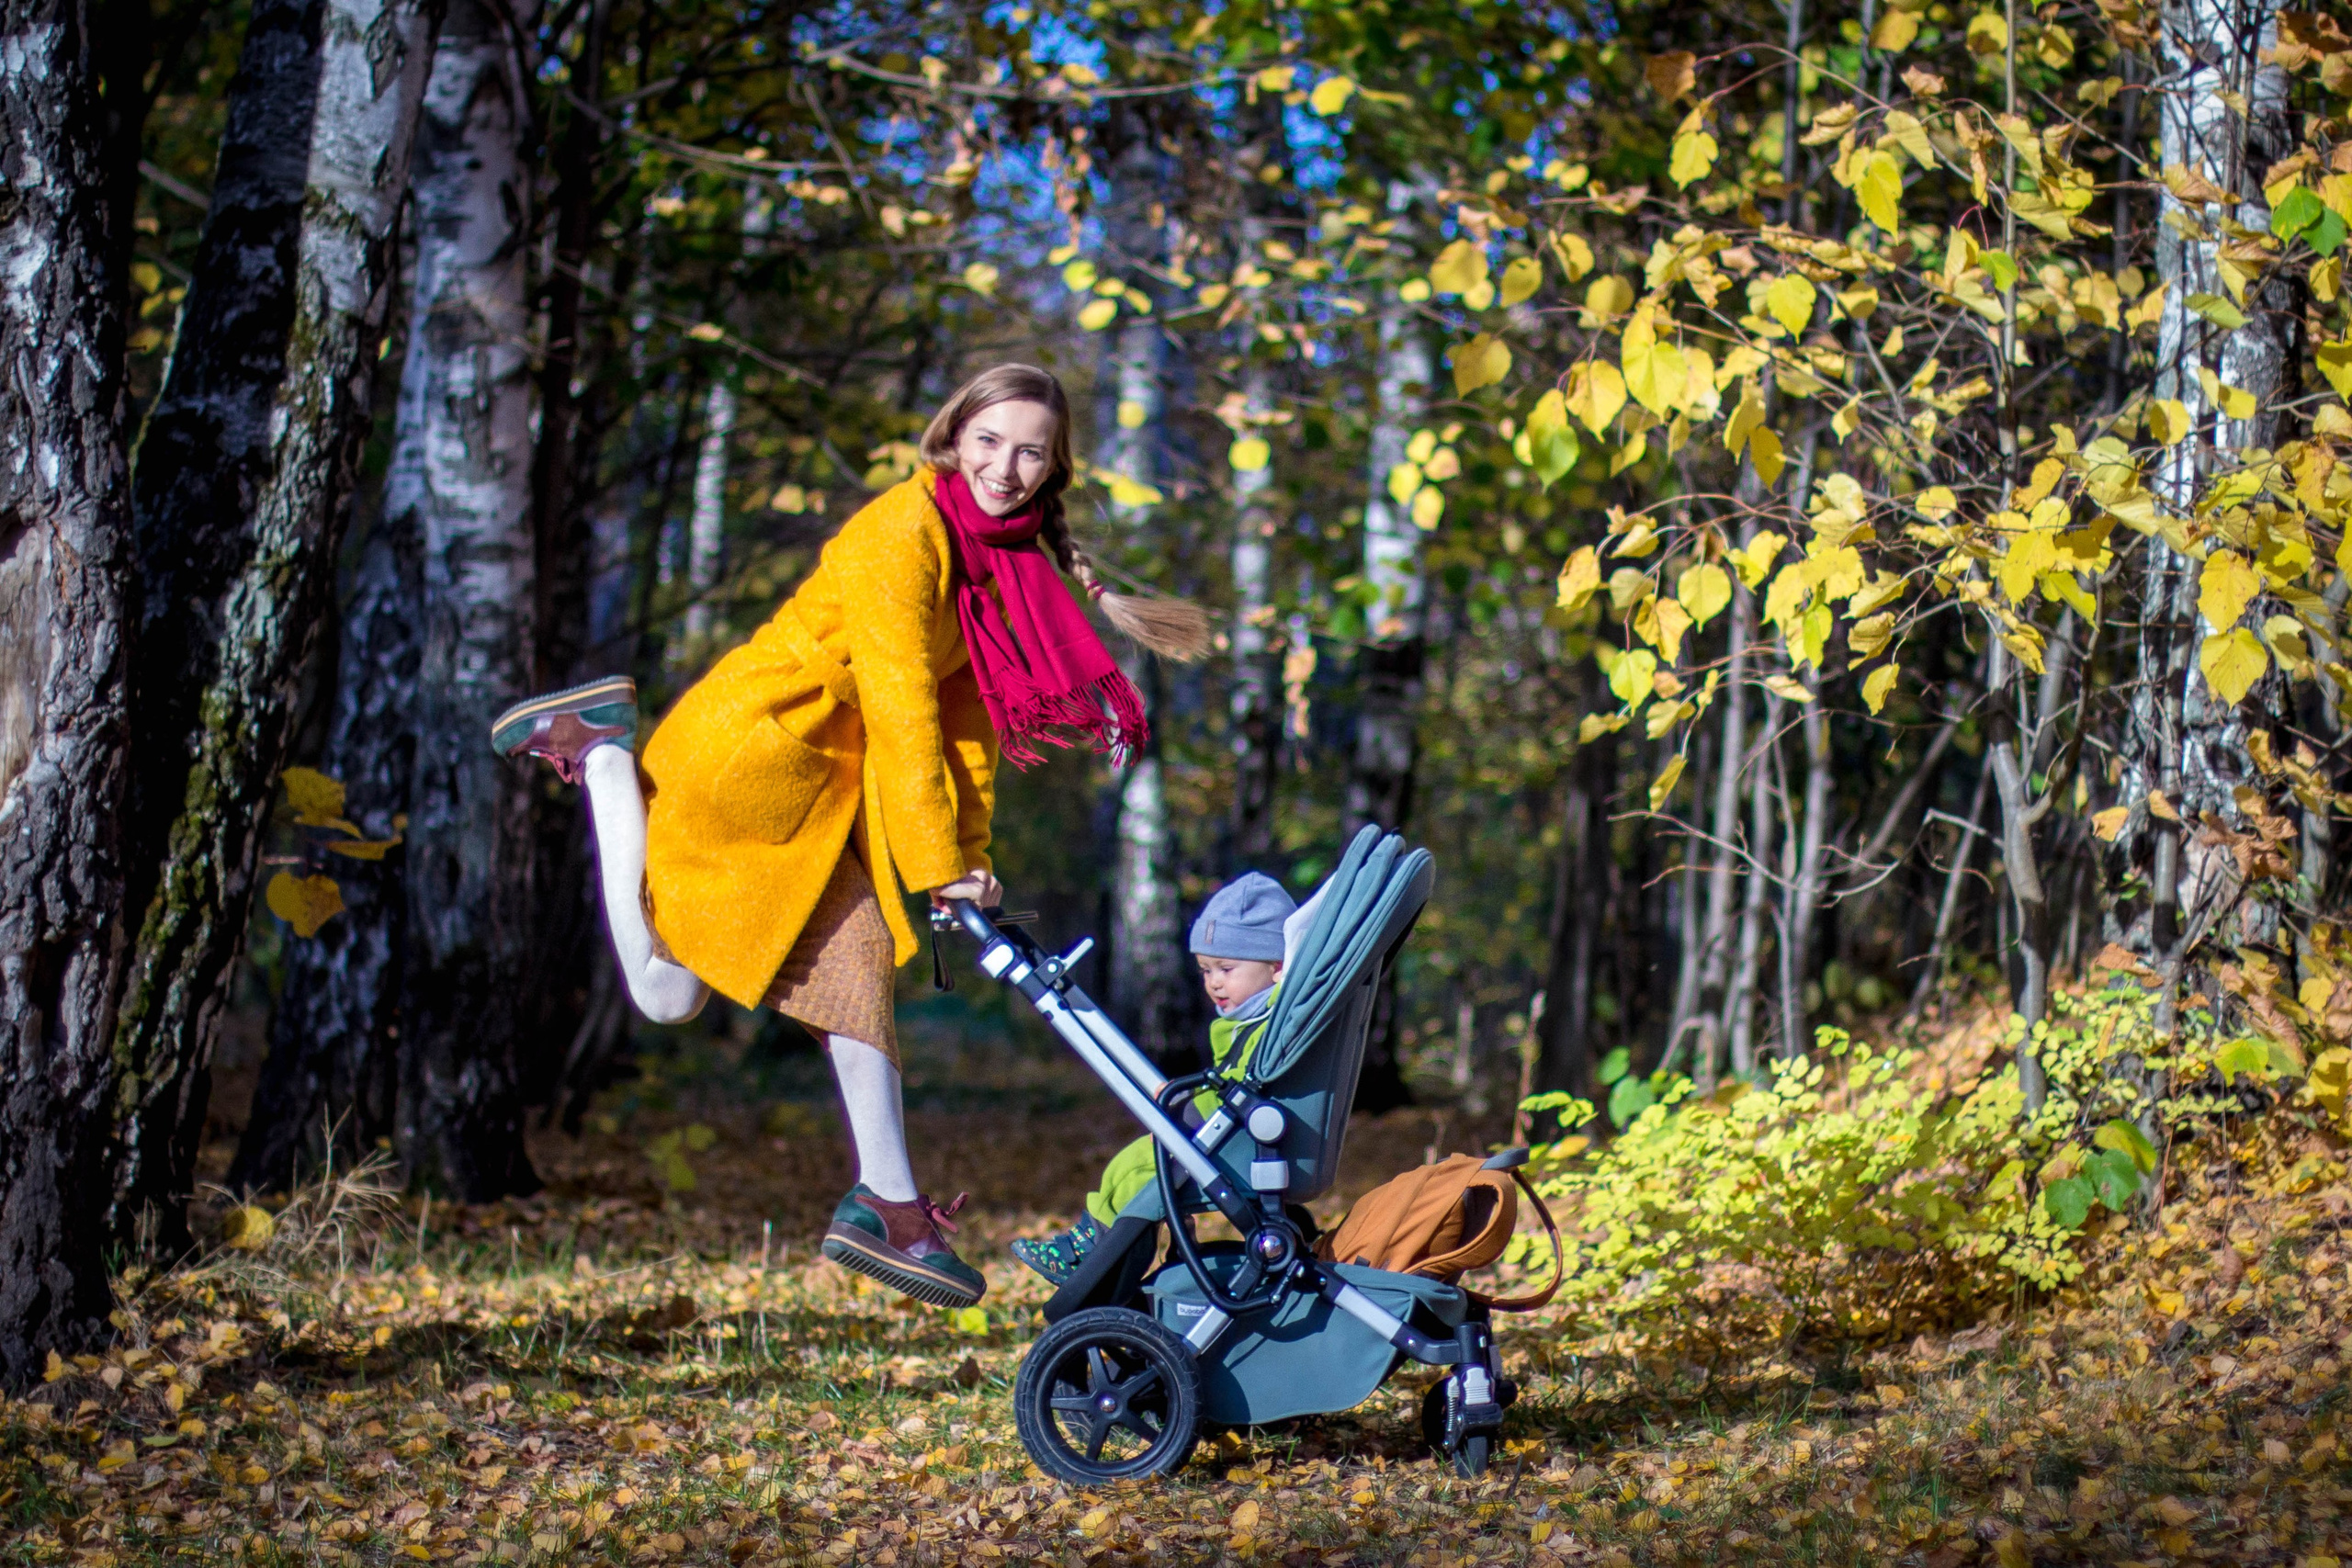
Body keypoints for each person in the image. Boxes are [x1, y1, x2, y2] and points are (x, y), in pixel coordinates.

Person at [490, 364, 1205, 1309]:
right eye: (989, 442)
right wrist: (937, 869)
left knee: (721, 984)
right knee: (729, 982)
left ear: (1054, 467)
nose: (1005, 467)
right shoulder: (901, 536)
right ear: (951, 438)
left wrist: (969, 859)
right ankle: (609, 762)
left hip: (816, 787)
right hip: (751, 755)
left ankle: (887, 1204)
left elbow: (964, 729)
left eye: (1030, 451)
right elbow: (904, 714)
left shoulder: (997, 562)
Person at [1010, 872, 1295, 1283]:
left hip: (1243, 1144)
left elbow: (1243, 1088)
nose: (1214, 982)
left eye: (1226, 968)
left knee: (1134, 1167)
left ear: (1276, 967)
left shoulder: (1271, 1022)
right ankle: (1105, 1249)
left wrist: (1186, 1105)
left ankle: (1093, 1255)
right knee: (1133, 1164)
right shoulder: (1255, 1017)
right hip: (1241, 1137)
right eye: (1205, 970)